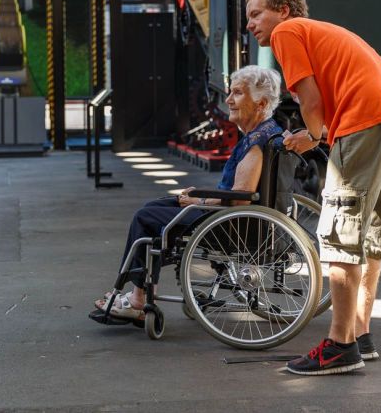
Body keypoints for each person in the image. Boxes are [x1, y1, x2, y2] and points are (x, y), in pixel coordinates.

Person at [245, 0, 381, 375]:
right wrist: (316, 134)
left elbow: (310, 99)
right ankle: (360, 334)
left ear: (284, 10)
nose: (250, 25)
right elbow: (323, 107)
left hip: (365, 124)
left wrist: (314, 132)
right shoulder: (326, 33)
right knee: (370, 237)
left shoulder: (289, 32)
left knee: (339, 235)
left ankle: (341, 346)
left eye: (256, 14)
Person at [93, 65, 283, 322]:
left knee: (145, 217)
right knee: (156, 207)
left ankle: (138, 300)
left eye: (237, 93)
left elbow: (241, 197)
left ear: (260, 103)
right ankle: (142, 294)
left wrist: (199, 200)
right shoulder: (268, 133)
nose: (228, 100)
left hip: (227, 223)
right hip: (229, 217)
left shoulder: (255, 145)